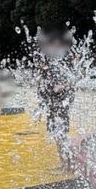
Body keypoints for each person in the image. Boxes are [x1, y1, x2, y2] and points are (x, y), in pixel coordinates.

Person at [36, 30, 76, 170]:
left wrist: (62, 86)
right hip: (51, 104)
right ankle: (64, 164)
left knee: (61, 135)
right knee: (56, 135)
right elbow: (43, 83)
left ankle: (68, 165)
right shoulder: (50, 61)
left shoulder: (64, 61)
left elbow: (73, 80)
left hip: (60, 104)